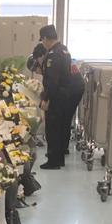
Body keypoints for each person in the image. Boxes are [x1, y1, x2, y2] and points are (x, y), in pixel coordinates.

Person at [39, 25, 80, 170]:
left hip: (56, 96)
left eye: (42, 41)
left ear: (45, 39)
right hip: (65, 94)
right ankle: (59, 158)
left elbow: (52, 80)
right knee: (61, 126)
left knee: (53, 128)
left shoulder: (53, 55)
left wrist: (46, 98)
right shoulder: (64, 50)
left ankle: (53, 161)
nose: (43, 44)